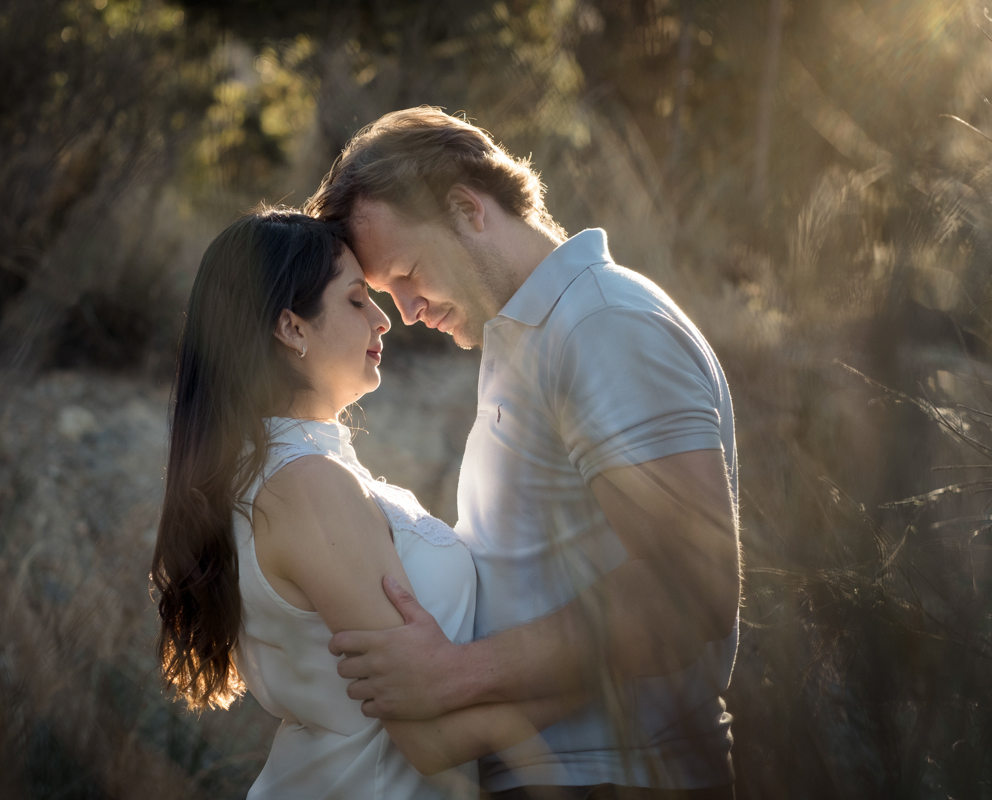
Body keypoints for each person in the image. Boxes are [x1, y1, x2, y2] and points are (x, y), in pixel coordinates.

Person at [307, 107, 742, 800]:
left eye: (411, 273)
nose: (410, 311)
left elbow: (690, 592)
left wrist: (455, 673)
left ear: (468, 210)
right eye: (390, 293)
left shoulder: (603, 323)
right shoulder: (528, 337)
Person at [150, 208, 588, 799]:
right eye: (357, 301)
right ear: (292, 328)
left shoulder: (286, 472)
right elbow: (429, 742)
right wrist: (609, 676)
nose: (383, 320)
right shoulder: (304, 485)